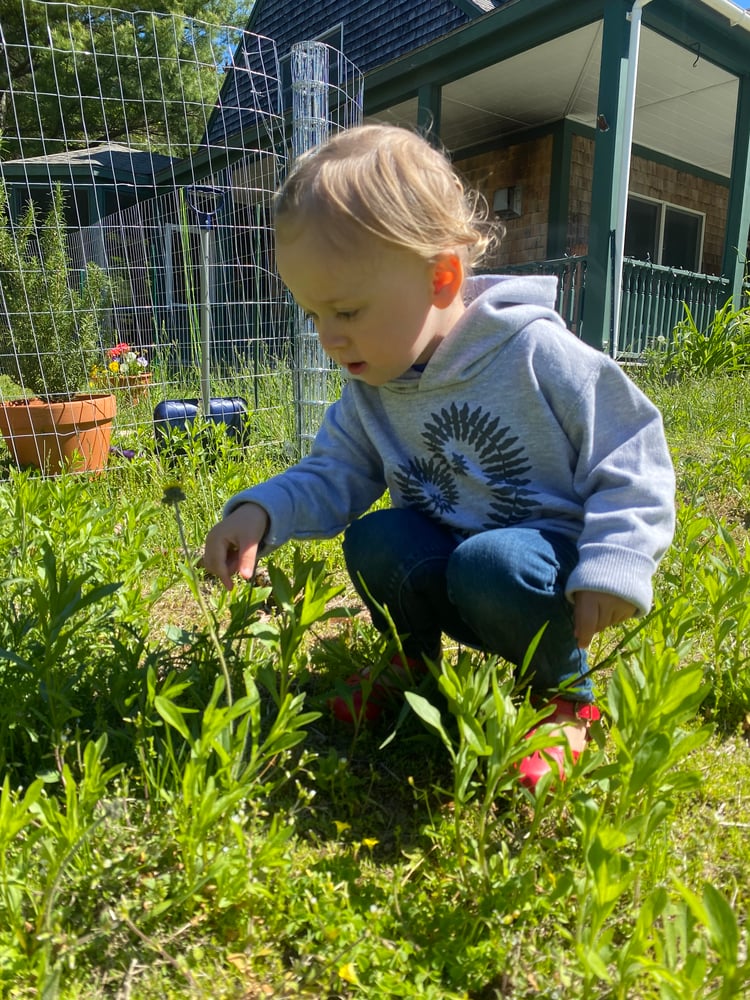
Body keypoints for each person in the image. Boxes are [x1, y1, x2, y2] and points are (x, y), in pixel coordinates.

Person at [202, 124, 676, 792]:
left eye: (347, 310)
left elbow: (632, 448)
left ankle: (563, 698)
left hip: (539, 583)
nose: (329, 338)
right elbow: (335, 471)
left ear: (442, 276)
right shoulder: (373, 383)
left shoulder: (537, 354)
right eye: (312, 315)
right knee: (376, 536)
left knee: (493, 561)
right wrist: (260, 512)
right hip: (447, 566)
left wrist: (617, 562)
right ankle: (411, 668)